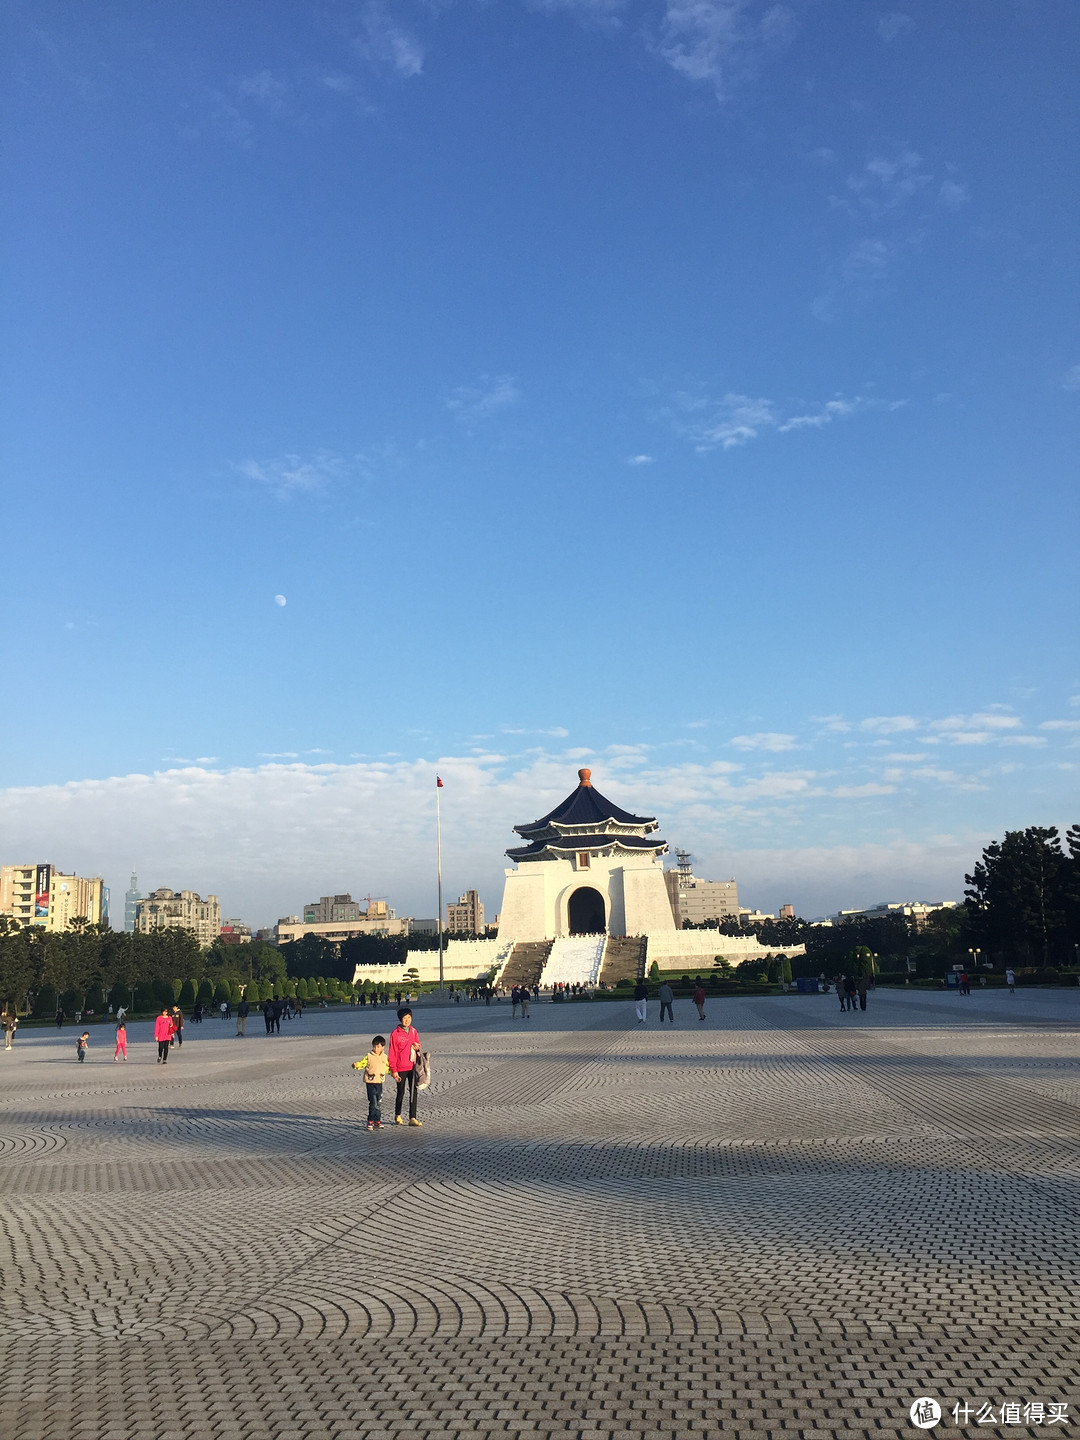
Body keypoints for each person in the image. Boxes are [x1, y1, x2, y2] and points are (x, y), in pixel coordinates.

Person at [388, 1008, 423, 1126]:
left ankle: (412, 1117)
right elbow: (392, 1052)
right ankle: (398, 1114)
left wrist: (417, 1047)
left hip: (412, 1066)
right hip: (400, 1067)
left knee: (414, 1091)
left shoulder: (413, 1031)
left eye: (409, 1017)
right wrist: (394, 1070)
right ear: (400, 1019)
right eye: (405, 1018)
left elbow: (418, 1044)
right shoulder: (395, 1034)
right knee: (401, 1091)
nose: (407, 1020)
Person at [354, 1034, 389, 1130]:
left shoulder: (384, 1057)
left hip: (380, 1082)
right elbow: (362, 1063)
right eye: (374, 1046)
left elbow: (387, 1067)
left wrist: (395, 1074)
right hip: (370, 1082)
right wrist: (356, 1065)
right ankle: (370, 1120)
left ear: (382, 1047)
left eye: (378, 1047)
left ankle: (377, 1119)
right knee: (373, 1101)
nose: (376, 1049)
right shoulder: (369, 1056)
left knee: (378, 1101)